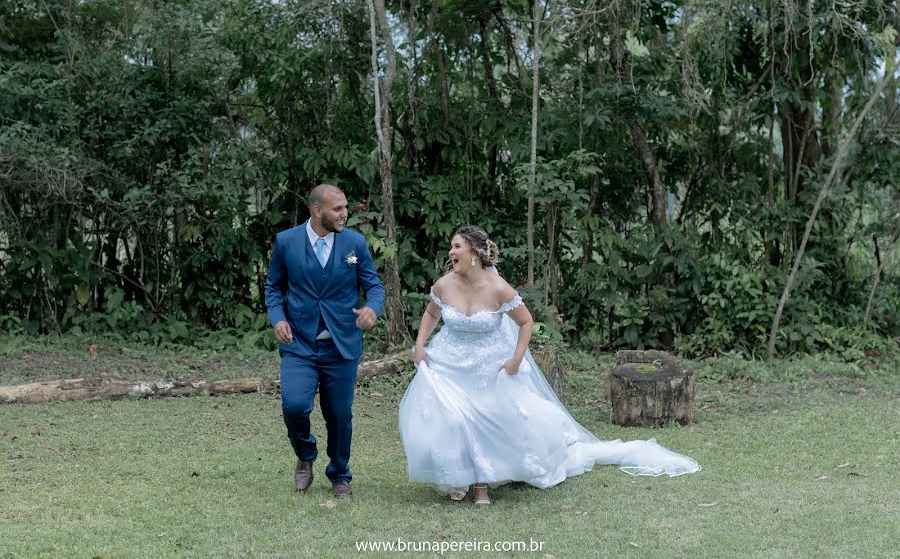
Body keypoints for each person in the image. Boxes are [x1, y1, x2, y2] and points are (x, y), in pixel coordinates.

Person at [399, 225, 699, 505]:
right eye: (451, 247)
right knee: (451, 417)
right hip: (450, 360)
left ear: (475, 254)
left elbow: (526, 322)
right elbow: (431, 313)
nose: (451, 253)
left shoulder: (499, 288)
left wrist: (516, 359)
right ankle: (458, 475)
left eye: (457, 247)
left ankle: (482, 482)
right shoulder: (443, 285)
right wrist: (420, 346)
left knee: (489, 414)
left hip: (489, 364)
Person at [265, 184, 384, 498]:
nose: (345, 214)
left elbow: (374, 286)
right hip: (299, 344)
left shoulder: (355, 243)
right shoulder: (286, 241)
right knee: (294, 406)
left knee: (340, 415)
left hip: (340, 344)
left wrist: (372, 307)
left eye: (345, 207)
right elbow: (273, 288)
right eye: (338, 209)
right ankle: (305, 455)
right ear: (317, 211)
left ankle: (340, 474)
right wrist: (277, 318)